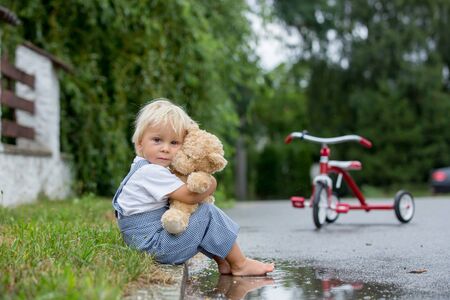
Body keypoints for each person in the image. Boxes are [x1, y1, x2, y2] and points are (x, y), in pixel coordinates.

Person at [112, 98, 274, 276]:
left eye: (174, 143)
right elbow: (189, 196)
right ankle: (240, 263)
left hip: (149, 243)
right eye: (157, 140)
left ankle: (224, 261)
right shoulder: (151, 172)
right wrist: (211, 183)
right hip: (156, 247)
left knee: (196, 217)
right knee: (206, 212)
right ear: (140, 143)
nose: (165, 148)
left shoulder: (142, 166)